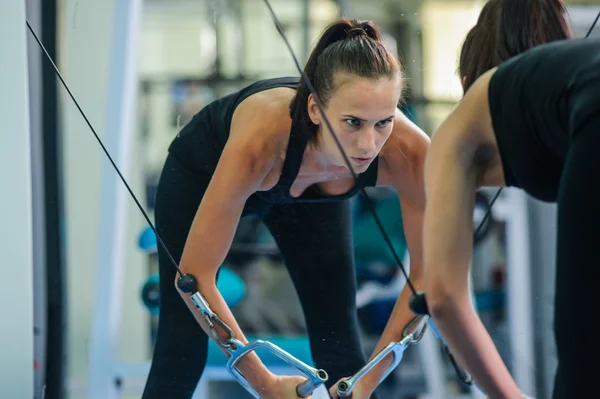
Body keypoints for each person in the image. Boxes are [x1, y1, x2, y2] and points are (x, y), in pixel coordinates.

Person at [142, 19, 430, 399]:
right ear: (314, 109)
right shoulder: (260, 142)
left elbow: (428, 282)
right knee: (181, 346)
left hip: (311, 195)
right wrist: (264, 383)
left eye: (383, 123)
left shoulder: (411, 154)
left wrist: (362, 384)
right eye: (352, 122)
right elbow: (195, 279)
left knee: (341, 350)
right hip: (203, 171)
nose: (368, 144)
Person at [419, 1, 600, 398]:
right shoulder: (553, 93)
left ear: (469, 74)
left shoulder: (465, 119)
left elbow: (445, 298)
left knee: (585, 357)